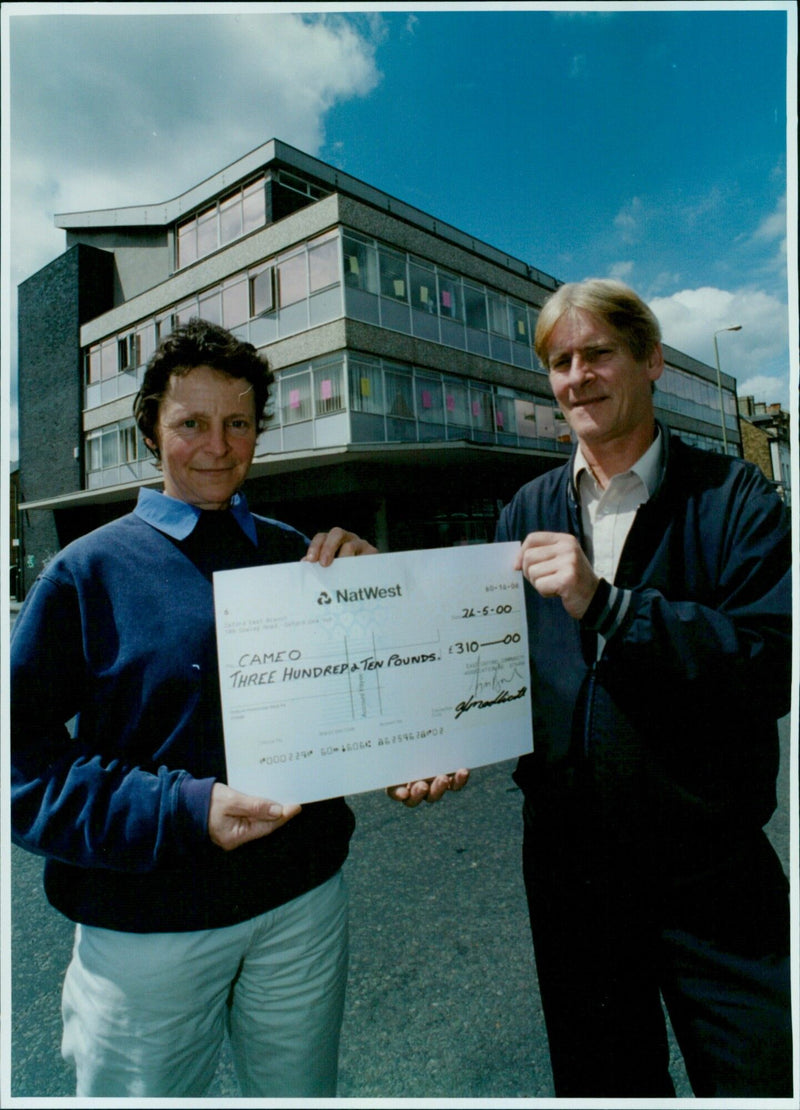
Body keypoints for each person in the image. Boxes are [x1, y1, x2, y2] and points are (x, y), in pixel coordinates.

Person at [11, 318, 381, 1098]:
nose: (217, 445)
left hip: (302, 905)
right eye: (191, 424)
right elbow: (20, 765)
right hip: (147, 927)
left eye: (237, 422)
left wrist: (384, 598)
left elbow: (368, 702)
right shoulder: (88, 572)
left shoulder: (300, 555)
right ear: (151, 429)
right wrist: (181, 809)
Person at [492, 278, 793, 1097]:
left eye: (598, 353)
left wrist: (612, 606)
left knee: (758, 1078)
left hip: (711, 874)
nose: (577, 376)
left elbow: (771, 664)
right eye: (560, 361)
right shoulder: (524, 509)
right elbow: (488, 671)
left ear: (650, 360)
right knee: (602, 1084)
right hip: (571, 873)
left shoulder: (736, 499)